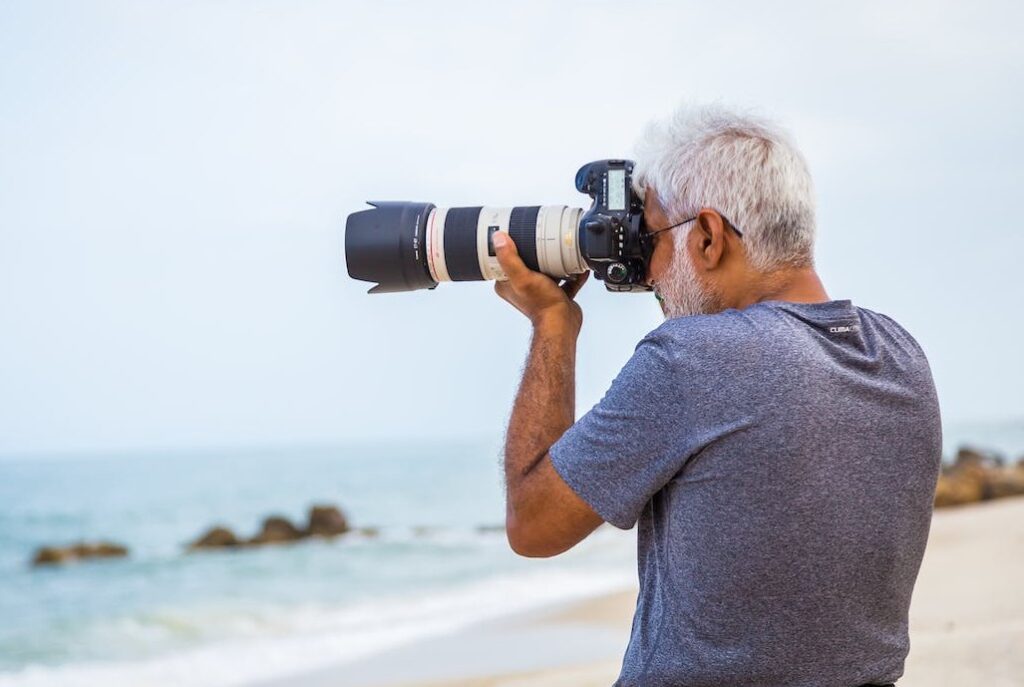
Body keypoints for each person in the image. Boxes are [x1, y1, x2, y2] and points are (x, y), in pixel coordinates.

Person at [491, 105, 942, 687]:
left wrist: (554, 324)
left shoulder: (697, 358)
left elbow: (534, 525)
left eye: (650, 238)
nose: (645, 271)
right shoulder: (901, 355)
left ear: (708, 236)